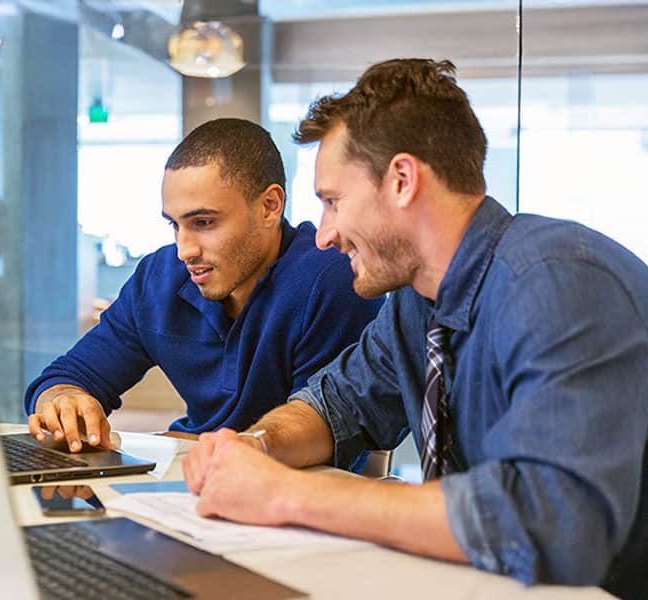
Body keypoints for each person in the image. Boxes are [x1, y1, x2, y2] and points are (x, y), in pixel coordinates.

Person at [182, 59, 648, 599]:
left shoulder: (558, 283)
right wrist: (252, 448)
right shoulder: (415, 302)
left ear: (402, 180)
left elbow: (553, 523)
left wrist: (285, 495)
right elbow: (337, 406)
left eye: (333, 202)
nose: (324, 235)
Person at [24, 118, 383, 454]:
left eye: (204, 222)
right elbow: (68, 376)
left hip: (285, 495)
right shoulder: (159, 278)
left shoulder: (330, 279)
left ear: (269, 207)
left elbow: (326, 430)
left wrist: (198, 446)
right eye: (175, 225)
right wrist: (63, 399)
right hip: (189, 478)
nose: (184, 250)